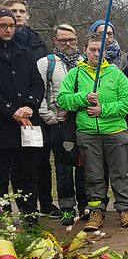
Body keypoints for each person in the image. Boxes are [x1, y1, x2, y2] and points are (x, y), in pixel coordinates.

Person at [56, 32, 128, 231]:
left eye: (101, 50)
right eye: (92, 50)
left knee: (120, 173)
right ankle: (96, 211)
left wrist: (104, 110)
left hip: (115, 131)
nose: (96, 54)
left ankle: (125, 209)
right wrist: (84, 98)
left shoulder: (117, 74)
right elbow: (63, 99)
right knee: (93, 175)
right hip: (87, 133)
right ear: (85, 51)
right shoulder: (75, 74)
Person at [89, 20, 128, 208]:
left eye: (110, 34)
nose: (107, 37)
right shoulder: (86, 63)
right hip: (95, 118)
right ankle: (99, 201)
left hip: (123, 116)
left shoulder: (125, 59)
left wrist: (117, 104)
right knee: (98, 162)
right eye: (102, 33)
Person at [36, 25, 87, 224]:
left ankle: (84, 205)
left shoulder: (84, 63)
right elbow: (39, 92)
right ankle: (67, 207)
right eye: (63, 40)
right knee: (63, 166)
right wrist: (48, 117)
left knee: (83, 164)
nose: (68, 44)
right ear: (55, 41)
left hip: (80, 122)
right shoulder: (46, 63)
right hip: (56, 122)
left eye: (72, 40)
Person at [0, 7, 43, 222]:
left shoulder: (24, 52)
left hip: (27, 123)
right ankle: (5, 223)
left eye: (11, 26)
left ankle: (31, 219)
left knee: (28, 174)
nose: (8, 29)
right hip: (3, 125)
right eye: (3, 26)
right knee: (1, 177)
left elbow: (37, 83)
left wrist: (29, 105)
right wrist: (11, 111)